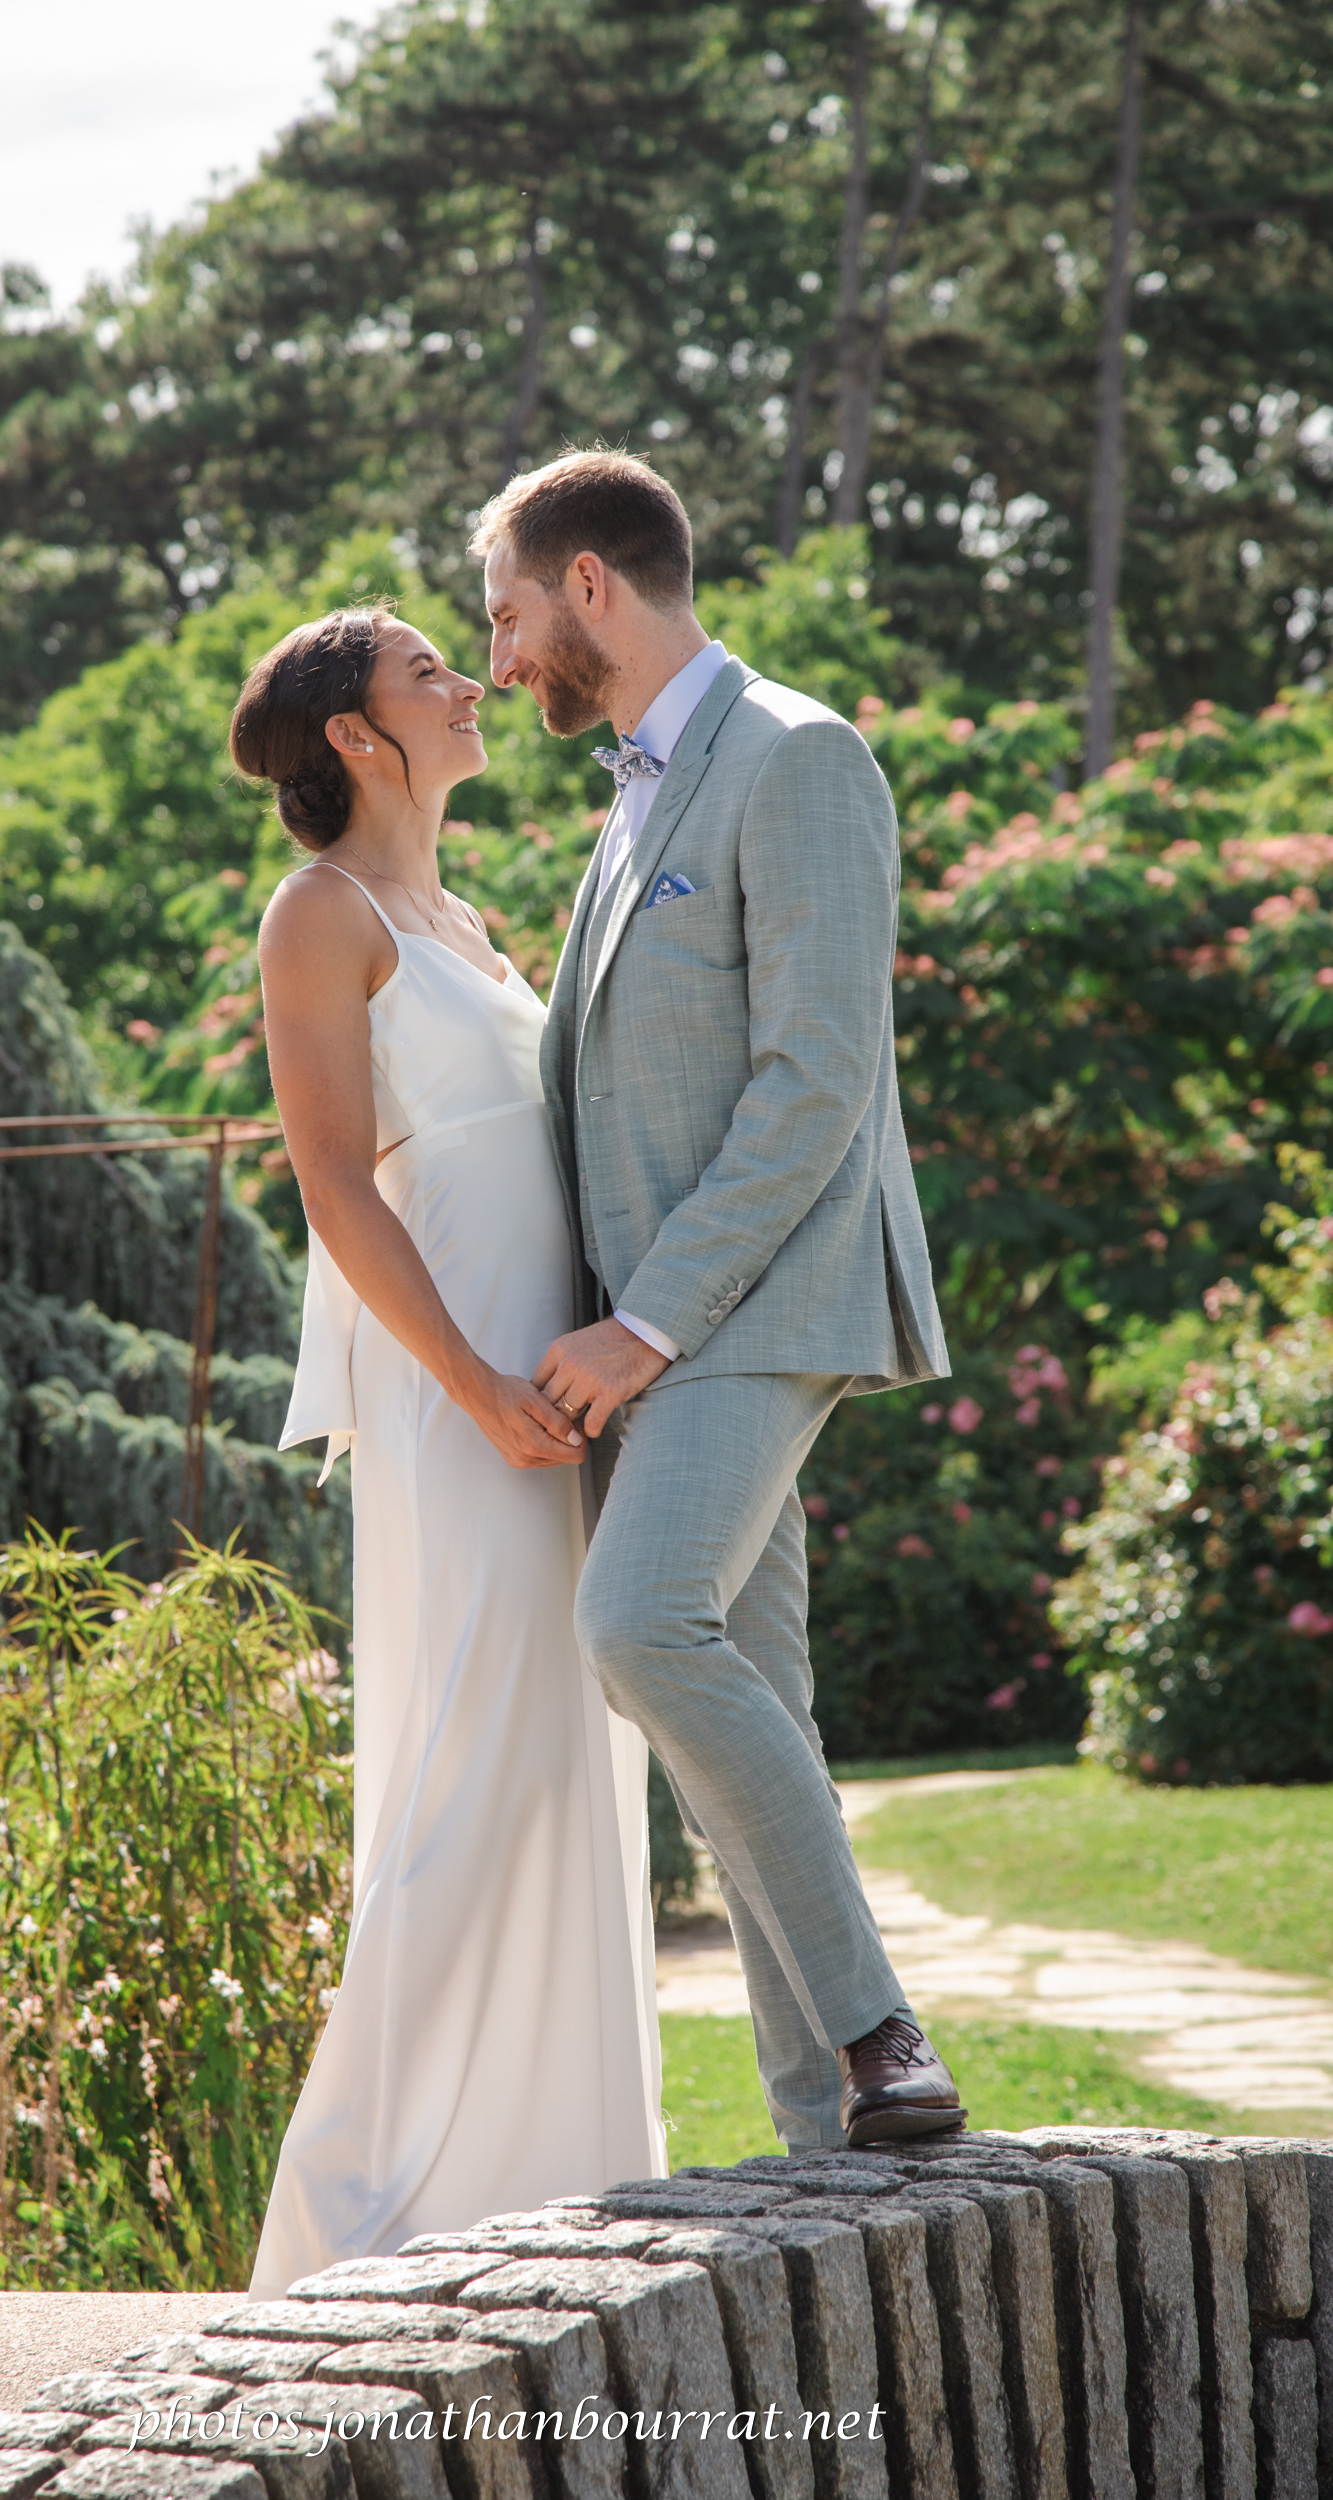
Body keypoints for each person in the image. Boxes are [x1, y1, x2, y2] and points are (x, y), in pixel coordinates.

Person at [472, 448, 966, 2153]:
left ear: (589, 582)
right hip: (656, 1329)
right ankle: (828, 2147)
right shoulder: (633, 795)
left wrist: (648, 1322)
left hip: (753, 1304)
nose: (499, 660)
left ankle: (879, 2031)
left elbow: (817, 1078)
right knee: (746, 1705)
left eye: (507, 615)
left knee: (638, 1626)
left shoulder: (798, 754)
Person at [236, 604, 665, 2294]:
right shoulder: (317, 914)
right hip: (458, 1393)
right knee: (471, 1771)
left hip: (554, 1396)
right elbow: (336, 1186)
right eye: (428, 670)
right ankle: (349, 2225)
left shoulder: (466, 919)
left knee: (565, 1760)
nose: (471, 682)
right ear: (355, 736)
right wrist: (480, 1387)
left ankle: (554, 2191)